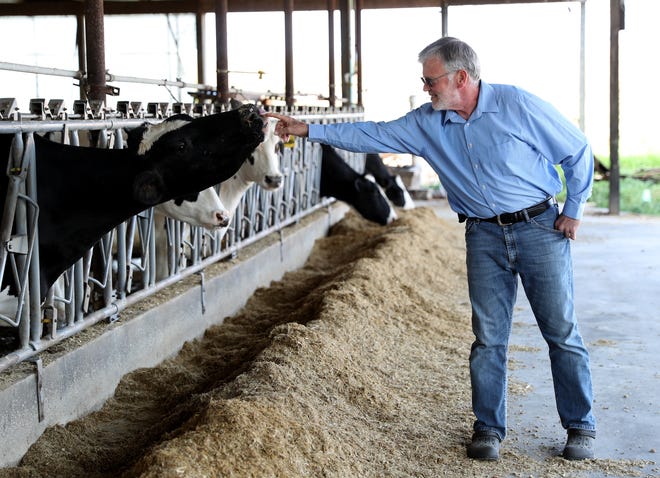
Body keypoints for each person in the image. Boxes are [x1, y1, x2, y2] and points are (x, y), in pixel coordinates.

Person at [266, 36, 596, 462]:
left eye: (430, 80)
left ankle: (580, 426)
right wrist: (308, 129)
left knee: (560, 331)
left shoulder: (517, 105)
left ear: (461, 77)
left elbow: (576, 151)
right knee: (488, 337)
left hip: (539, 228)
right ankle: (488, 429)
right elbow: (372, 133)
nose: (426, 88)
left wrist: (574, 209)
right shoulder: (426, 124)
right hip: (483, 236)